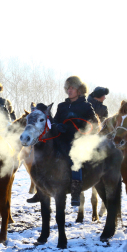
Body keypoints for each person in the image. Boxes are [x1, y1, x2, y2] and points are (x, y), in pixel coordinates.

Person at [28, 76, 99, 207]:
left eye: (72, 88)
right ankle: (41, 190)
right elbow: (54, 122)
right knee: (41, 155)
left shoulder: (86, 106)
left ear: (79, 90)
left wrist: (81, 127)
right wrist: (57, 126)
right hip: (60, 139)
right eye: (68, 88)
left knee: (74, 159)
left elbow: (95, 125)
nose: (69, 90)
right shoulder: (62, 106)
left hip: (78, 142)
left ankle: (76, 192)